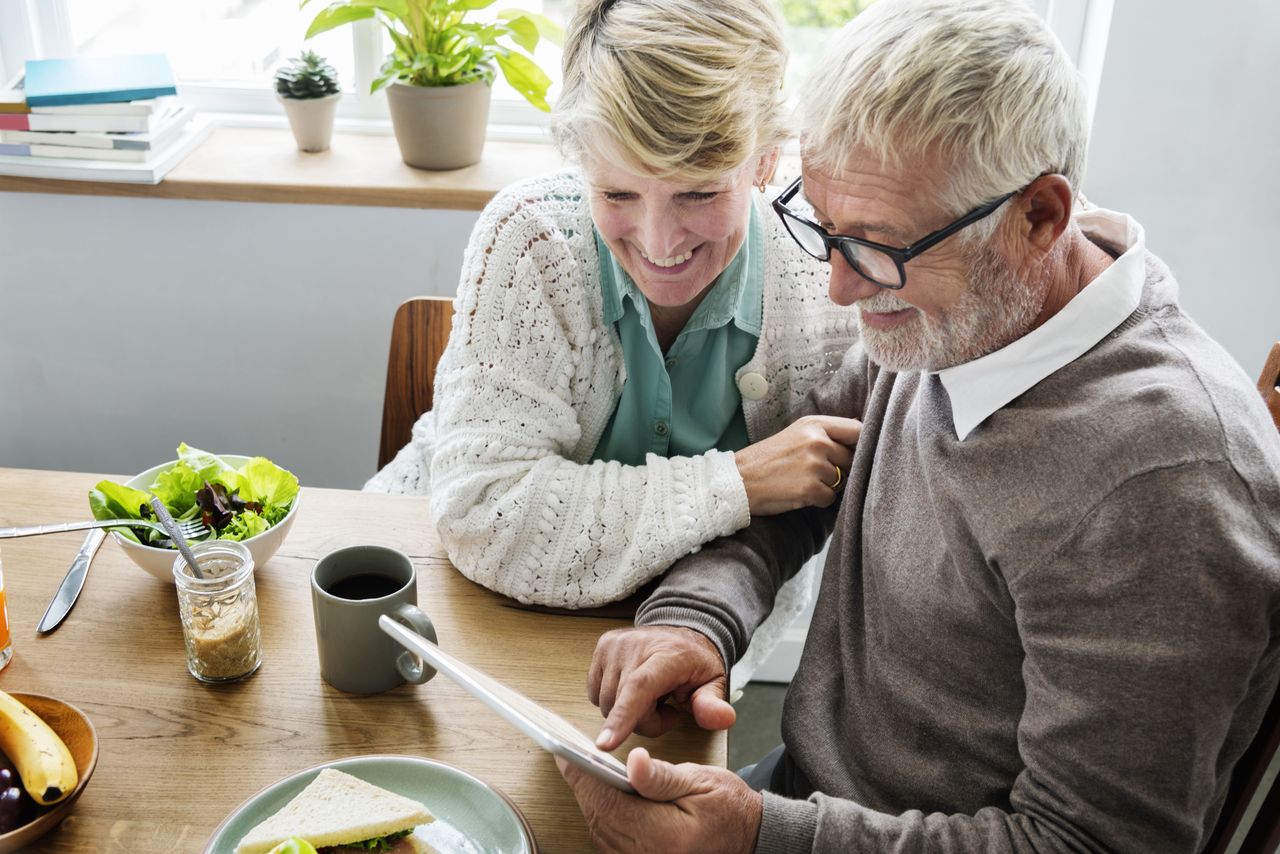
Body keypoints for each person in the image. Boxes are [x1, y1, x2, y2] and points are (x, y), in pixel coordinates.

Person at [559, 0, 1280, 851]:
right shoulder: (963, 308)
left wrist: (762, 838)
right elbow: (801, 487)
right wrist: (692, 620)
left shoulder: (1166, 487)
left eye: (875, 246)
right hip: (802, 800)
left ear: (1041, 218)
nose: (840, 288)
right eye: (821, 228)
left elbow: (1090, 842)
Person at [366, 0, 861, 687]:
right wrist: (738, 483)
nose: (659, 245)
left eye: (697, 193)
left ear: (766, 159)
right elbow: (485, 514)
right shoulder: (532, 235)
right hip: (446, 598)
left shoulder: (828, 276)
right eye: (619, 193)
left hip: (683, 634)